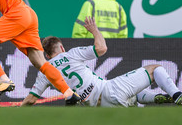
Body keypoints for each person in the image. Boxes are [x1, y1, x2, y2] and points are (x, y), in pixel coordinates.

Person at [22, 17, 182, 107]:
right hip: (109, 90)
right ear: (61, 47)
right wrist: (95, 30)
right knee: (155, 69)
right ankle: (176, 95)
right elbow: (101, 48)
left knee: (135, 96)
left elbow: (31, 99)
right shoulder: (72, 54)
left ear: (47, 55)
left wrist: (18, 109)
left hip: (99, 107)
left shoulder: (45, 72)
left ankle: (156, 98)